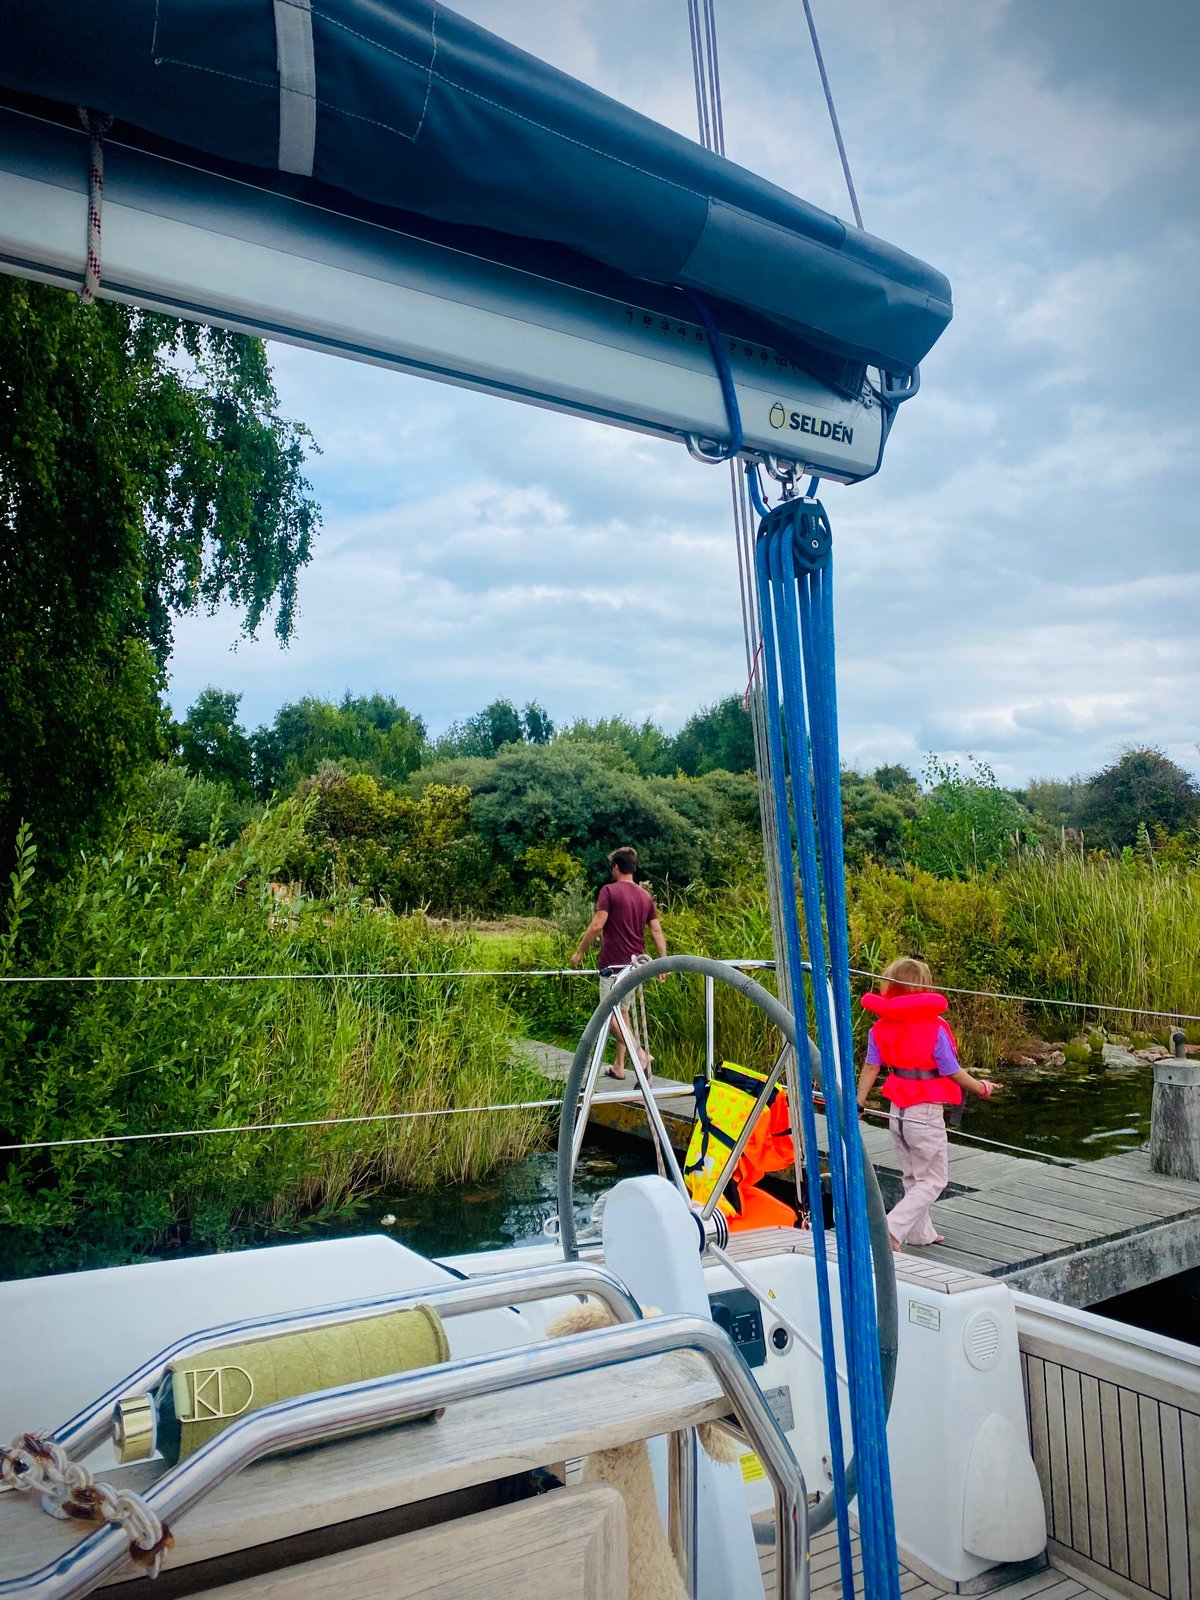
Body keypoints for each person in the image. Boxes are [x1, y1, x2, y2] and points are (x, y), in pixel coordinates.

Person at [854, 957, 999, 1251]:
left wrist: (858, 1103)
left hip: (897, 1113)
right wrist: (981, 1088)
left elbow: (871, 1068)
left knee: (913, 1176)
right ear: (925, 989)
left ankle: (920, 1234)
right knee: (934, 1179)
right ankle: (891, 1228)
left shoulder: (879, 1028)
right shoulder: (935, 1028)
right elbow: (951, 1070)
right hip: (926, 1111)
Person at [570, 846, 667, 1079]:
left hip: (613, 967)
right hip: (635, 967)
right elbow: (656, 930)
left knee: (606, 1015)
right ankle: (619, 1067)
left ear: (616, 867)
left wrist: (579, 953)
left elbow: (596, 925)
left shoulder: (609, 891)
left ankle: (639, 1054)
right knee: (622, 1014)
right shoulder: (645, 896)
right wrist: (664, 961)